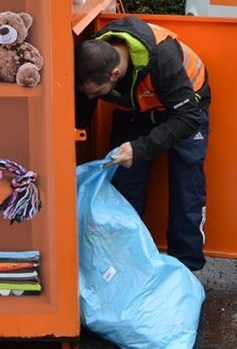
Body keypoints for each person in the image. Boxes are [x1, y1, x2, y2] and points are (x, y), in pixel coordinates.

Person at [75, 16, 210, 271]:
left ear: (115, 73)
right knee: (124, 183)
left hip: (184, 108)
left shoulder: (163, 58)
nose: (91, 98)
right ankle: (125, 265)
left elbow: (188, 118)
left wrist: (140, 148)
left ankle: (186, 268)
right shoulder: (92, 60)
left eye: (96, 93)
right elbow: (81, 110)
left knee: (186, 185)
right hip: (137, 107)